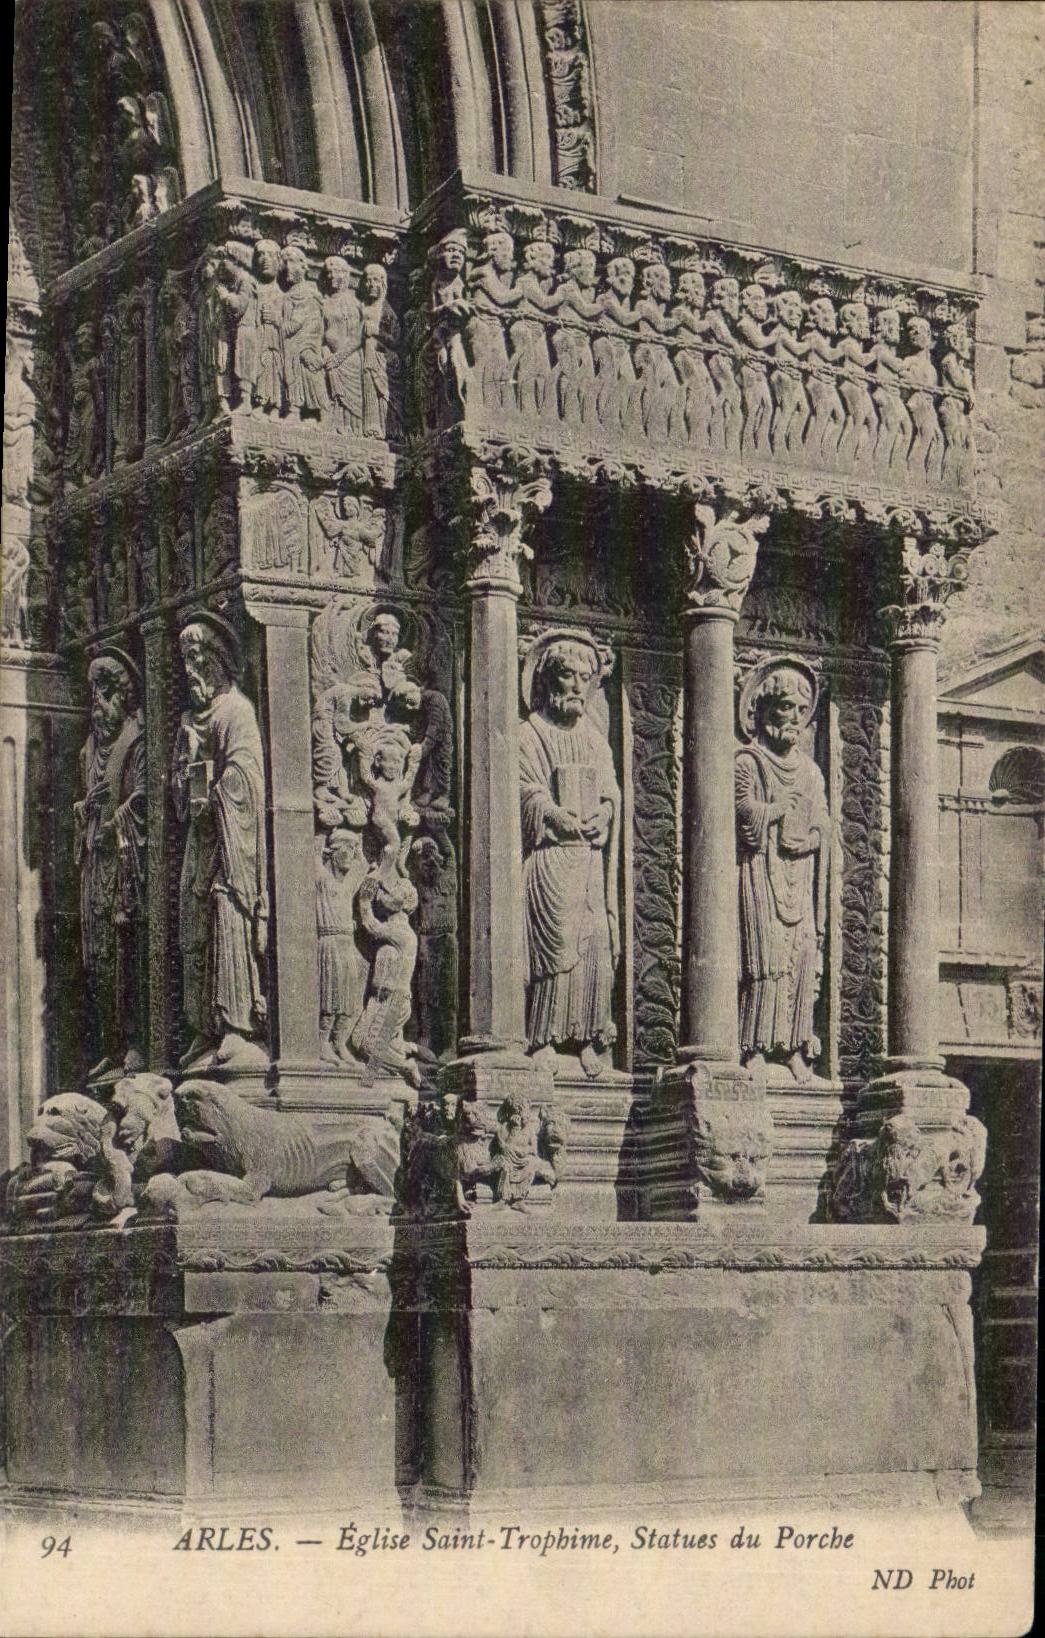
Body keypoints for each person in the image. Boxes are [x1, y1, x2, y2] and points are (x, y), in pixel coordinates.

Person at [519, 637, 620, 1078]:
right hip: (550, 858)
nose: (577, 686)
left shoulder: (595, 740)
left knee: (593, 942)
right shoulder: (530, 733)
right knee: (555, 945)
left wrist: (605, 814)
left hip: (588, 859)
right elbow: (524, 789)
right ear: (546, 680)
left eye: (585, 679)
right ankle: (542, 1037)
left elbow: (611, 792)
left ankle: (583, 1038)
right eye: (568, 676)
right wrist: (552, 814)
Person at [172, 615, 268, 1069]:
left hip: (231, 841)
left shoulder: (236, 711)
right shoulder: (191, 720)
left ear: (218, 661)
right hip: (202, 836)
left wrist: (214, 792)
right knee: (194, 926)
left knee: (227, 916)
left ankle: (235, 1023)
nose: (192, 669)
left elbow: (246, 776)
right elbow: (177, 791)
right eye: (186, 660)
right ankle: (202, 1026)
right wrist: (186, 761)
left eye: (198, 658)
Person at [735, 665, 830, 1085]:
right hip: (759, 873)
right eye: (784, 706)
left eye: (800, 709)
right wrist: (775, 812)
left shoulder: (810, 771)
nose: (792, 716)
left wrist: (810, 839)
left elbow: (824, 825)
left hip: (799, 876)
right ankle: (754, 1046)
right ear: (763, 709)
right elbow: (740, 811)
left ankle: (792, 1047)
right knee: (766, 960)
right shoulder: (748, 761)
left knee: (801, 959)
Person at [74, 652, 146, 1078]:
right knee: (97, 956)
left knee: (125, 953)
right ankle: (111, 1042)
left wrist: (112, 823)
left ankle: (134, 1044)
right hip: (95, 868)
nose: (97, 703)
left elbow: (142, 798)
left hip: (124, 868)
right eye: (93, 693)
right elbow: (90, 799)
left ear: (123, 695)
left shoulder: (135, 741)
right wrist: (86, 809)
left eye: (106, 693)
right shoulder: (90, 748)